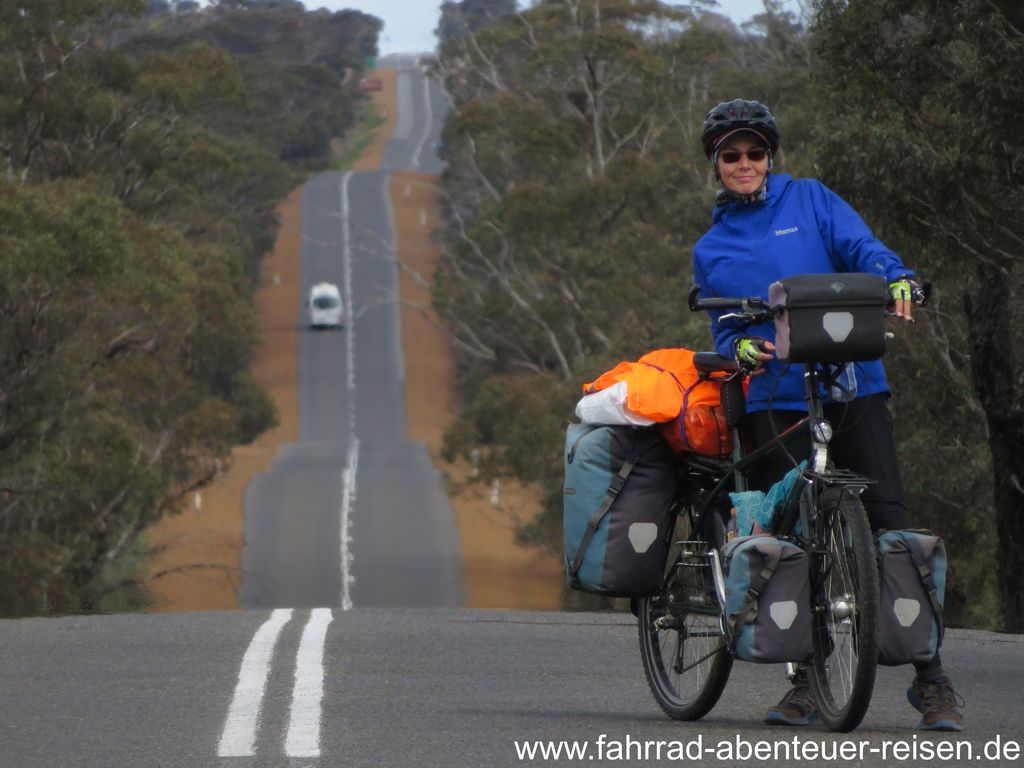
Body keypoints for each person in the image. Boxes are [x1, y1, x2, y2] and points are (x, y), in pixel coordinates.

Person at [692, 98, 965, 732]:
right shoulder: (712, 246)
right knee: (792, 545)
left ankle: (931, 680)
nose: (745, 164)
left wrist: (898, 279)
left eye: (755, 152)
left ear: (770, 156)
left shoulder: (810, 200)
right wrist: (741, 346)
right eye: (731, 155)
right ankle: (807, 685)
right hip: (774, 398)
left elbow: (863, 248)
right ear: (716, 164)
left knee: (890, 525)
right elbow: (723, 325)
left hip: (853, 385)